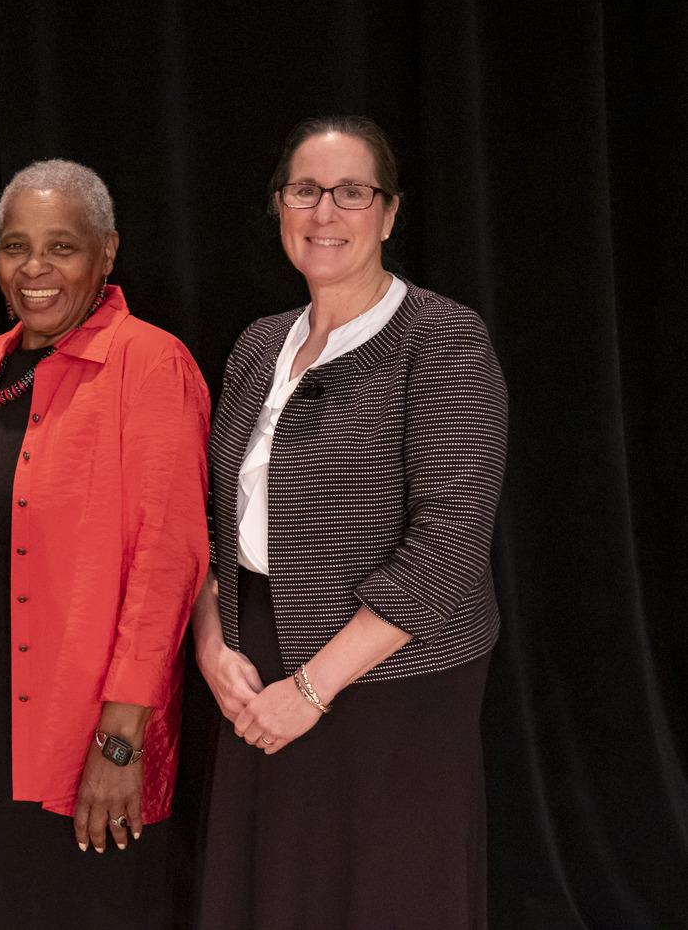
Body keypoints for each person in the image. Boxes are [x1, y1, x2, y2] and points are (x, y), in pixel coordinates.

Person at [192, 115, 508, 929]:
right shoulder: (258, 346)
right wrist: (210, 643)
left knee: (387, 894)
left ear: (390, 213)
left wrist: (311, 688)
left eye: (351, 193)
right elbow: (210, 516)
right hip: (255, 658)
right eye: (305, 191)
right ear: (279, 208)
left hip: (393, 679)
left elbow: (450, 545)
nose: (324, 213)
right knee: (276, 891)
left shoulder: (442, 340)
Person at [0, 159, 211, 929]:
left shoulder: (152, 363)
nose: (34, 269)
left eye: (62, 246)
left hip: (83, 738)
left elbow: (167, 563)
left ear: (106, 253)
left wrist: (119, 743)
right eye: (15, 246)